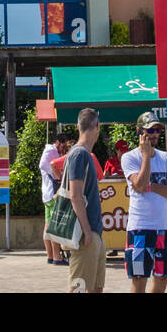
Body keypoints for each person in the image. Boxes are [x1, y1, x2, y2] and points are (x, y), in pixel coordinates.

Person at [121, 112, 167, 293]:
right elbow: (139, 185)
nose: (155, 134)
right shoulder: (129, 158)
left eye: (158, 130)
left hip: (163, 227)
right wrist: (146, 156)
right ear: (139, 132)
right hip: (140, 227)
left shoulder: (165, 157)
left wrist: (152, 186)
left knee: (162, 279)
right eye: (151, 130)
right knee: (139, 279)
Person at [64, 107, 106, 294]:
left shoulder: (82, 154)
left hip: (93, 231)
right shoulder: (79, 154)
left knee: (96, 287)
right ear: (97, 126)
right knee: (79, 287)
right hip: (84, 233)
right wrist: (87, 231)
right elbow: (75, 195)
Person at [39, 132, 70, 265]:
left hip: (47, 194)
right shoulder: (51, 150)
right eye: (63, 145)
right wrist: (56, 175)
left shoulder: (51, 151)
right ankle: (57, 257)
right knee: (54, 225)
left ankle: (50, 256)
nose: (63, 149)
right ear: (58, 142)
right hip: (52, 193)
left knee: (47, 225)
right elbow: (43, 165)